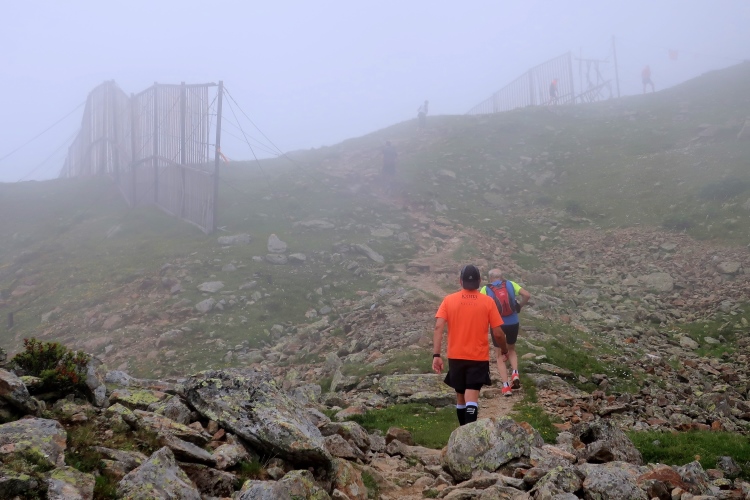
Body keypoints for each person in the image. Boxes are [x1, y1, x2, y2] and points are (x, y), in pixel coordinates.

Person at [433, 265, 508, 426]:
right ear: (479, 281)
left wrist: (436, 355)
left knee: (461, 396)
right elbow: (498, 333)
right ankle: (469, 435)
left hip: (455, 356)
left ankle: (462, 431)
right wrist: (504, 349)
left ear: (460, 281)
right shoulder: (488, 302)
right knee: (472, 397)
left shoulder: (449, 300)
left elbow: (438, 327)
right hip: (477, 357)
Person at [480, 269, 531, 397]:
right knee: (511, 349)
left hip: (497, 324)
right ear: (502, 276)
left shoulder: (486, 289)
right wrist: (519, 306)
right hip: (513, 322)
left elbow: (481, 307)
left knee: (499, 355)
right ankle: (515, 373)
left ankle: (506, 387)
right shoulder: (510, 284)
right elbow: (527, 295)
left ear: (490, 278)